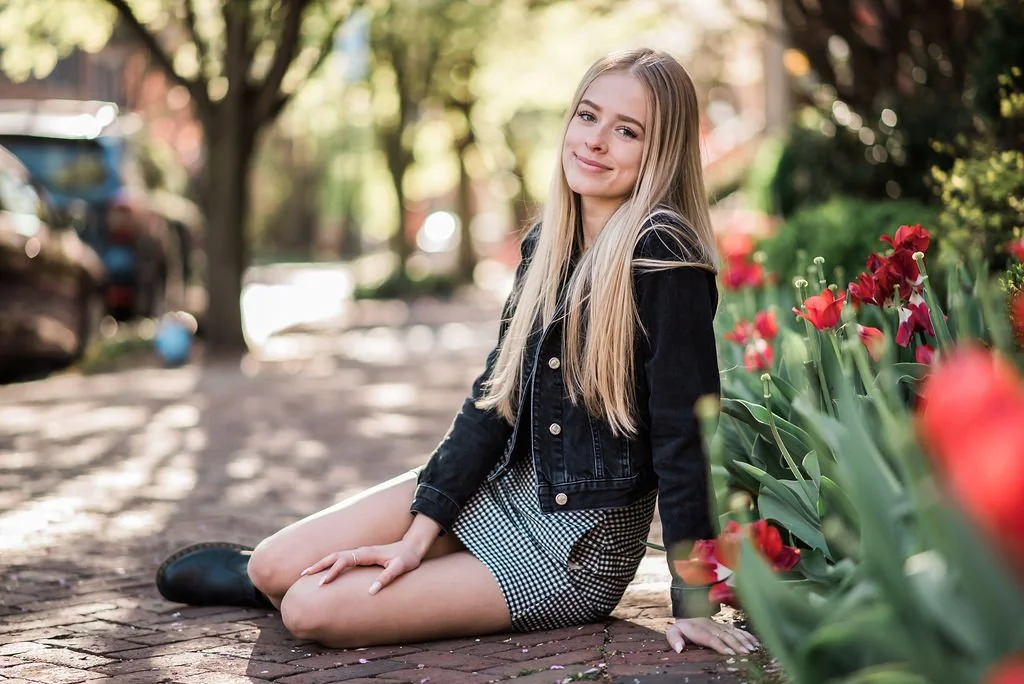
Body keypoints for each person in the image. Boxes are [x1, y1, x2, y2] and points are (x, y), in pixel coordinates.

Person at [156, 47, 759, 658]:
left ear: (661, 150)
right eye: (587, 116)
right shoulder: (547, 245)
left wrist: (696, 599)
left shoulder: (664, 260)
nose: (595, 141)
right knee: (270, 567)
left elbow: (685, 434)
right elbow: (492, 400)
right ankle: (286, 579)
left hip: (575, 541)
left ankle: (332, 592)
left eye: (626, 131)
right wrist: (420, 535)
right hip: (500, 489)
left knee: (311, 608)